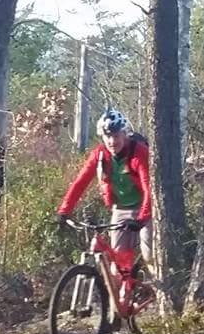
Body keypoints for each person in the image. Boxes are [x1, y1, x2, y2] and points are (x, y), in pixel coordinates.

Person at [56, 108, 153, 271]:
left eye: (116, 136)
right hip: (120, 210)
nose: (112, 141)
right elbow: (80, 182)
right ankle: (122, 294)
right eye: (108, 136)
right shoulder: (100, 154)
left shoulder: (139, 153)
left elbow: (148, 187)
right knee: (119, 268)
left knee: (149, 255)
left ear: (124, 134)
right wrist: (64, 211)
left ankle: (160, 292)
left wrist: (142, 219)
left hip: (145, 210)